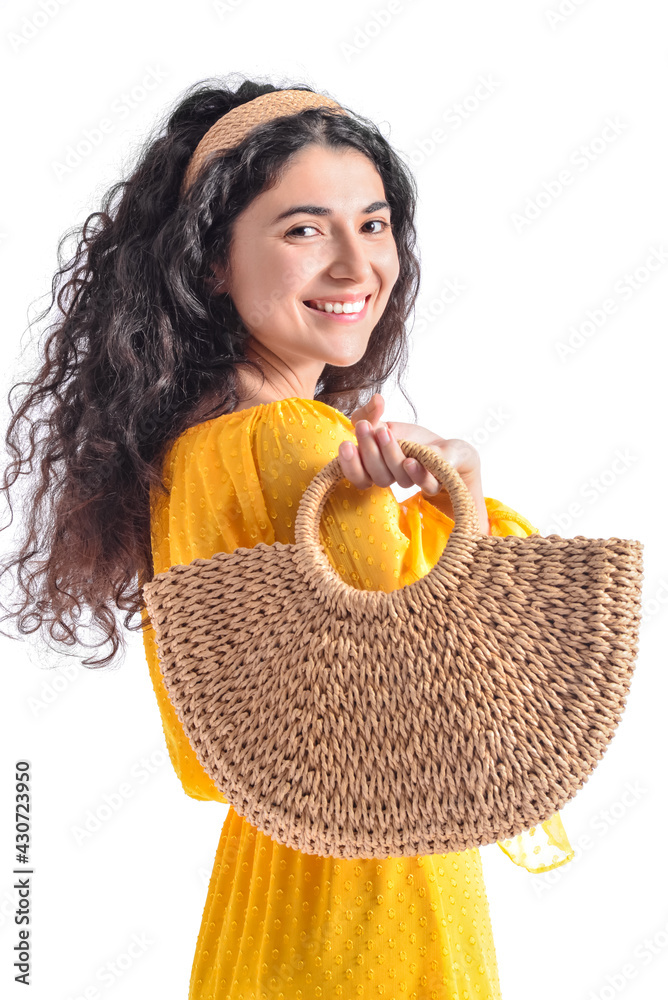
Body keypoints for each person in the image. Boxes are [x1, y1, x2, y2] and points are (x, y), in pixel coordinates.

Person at [1, 75, 574, 999]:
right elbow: (442, 712)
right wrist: (460, 497)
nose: (357, 266)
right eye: (305, 229)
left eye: (374, 223)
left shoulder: (195, 446)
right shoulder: (298, 442)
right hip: (373, 904)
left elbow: (218, 758)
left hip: (272, 887)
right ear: (212, 261)